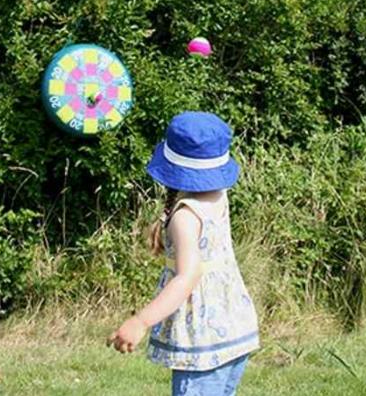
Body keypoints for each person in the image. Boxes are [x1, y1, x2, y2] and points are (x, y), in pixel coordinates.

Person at [106, 111, 259, 395]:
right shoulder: (218, 196)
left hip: (204, 342)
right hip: (234, 326)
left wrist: (140, 321)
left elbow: (187, 277)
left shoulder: (185, 217)